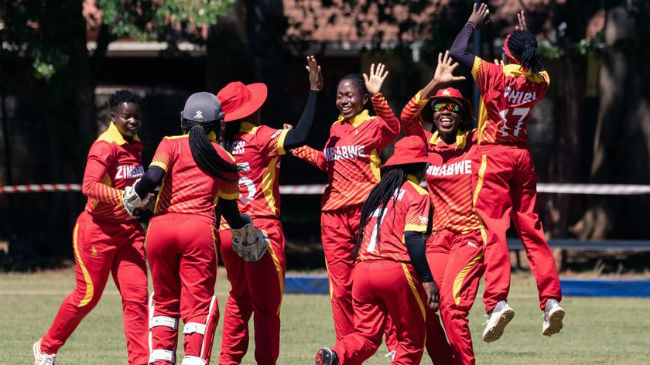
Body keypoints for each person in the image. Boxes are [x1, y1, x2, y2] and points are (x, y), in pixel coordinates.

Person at [122, 92, 265, 365]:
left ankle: (161, 361)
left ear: (183, 121)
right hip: (198, 231)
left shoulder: (170, 142)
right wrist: (246, 230)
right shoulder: (225, 157)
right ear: (219, 124)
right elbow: (230, 213)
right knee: (198, 307)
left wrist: (135, 194)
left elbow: (152, 176)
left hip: (160, 230)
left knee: (164, 303)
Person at [449, 3, 565, 342]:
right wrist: (529, 37)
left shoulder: (493, 75)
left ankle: (497, 302)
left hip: (492, 156)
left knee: (493, 230)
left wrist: (471, 23)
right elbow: (537, 66)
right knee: (532, 231)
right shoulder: (540, 80)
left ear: (508, 57)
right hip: (522, 160)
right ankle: (551, 300)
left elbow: (458, 51)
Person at [215, 55, 323, 365]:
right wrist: (314, 91)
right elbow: (300, 136)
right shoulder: (261, 136)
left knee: (239, 299)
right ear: (252, 109)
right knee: (267, 308)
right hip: (261, 232)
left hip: (226, 231)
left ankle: (227, 361)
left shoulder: (220, 144)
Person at [33, 90, 149, 365]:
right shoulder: (105, 146)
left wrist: (146, 199)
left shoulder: (136, 145)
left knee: (137, 298)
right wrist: (124, 197)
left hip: (128, 232)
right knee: (87, 297)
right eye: (126, 116)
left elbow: (133, 186)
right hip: (97, 230)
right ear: (113, 116)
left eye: (136, 116)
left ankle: (140, 362)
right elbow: (89, 187)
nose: (132, 121)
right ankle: (46, 348)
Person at [291, 63, 400, 343]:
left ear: (363, 99)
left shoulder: (374, 125)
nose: (344, 101)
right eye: (340, 96)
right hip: (333, 216)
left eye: (350, 96)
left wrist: (379, 97)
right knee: (340, 289)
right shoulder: (335, 128)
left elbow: (394, 128)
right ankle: (345, 350)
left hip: (366, 213)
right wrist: (296, 146)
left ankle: (393, 340)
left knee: (372, 281)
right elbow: (326, 163)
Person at [314, 136, 440, 365]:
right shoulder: (417, 194)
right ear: (420, 166)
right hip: (394, 269)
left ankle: (335, 355)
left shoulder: (378, 194)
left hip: (362, 272)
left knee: (366, 336)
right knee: (410, 341)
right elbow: (412, 238)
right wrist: (428, 279)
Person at [401, 51, 486, 365]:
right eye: (439, 107)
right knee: (420, 304)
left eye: (452, 107)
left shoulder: (476, 142)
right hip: (437, 239)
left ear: (462, 114)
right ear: (433, 114)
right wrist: (435, 83)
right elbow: (406, 118)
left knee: (452, 308)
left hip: (470, 238)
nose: (445, 111)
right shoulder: (426, 144)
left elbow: (499, 122)